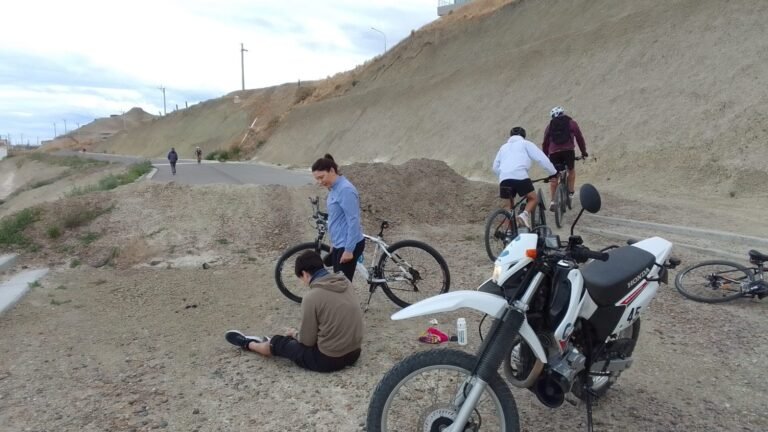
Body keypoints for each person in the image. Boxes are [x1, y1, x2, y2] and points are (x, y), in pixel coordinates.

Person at [225, 250, 363, 373]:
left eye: (301, 279)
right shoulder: (345, 282)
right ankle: (265, 342)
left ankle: (248, 343)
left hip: (329, 359)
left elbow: (307, 341)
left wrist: (295, 334)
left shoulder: (312, 297)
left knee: (279, 343)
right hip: (354, 353)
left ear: (305, 274)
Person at [311, 154, 364, 281]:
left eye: (322, 177)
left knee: (342, 285)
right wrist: (334, 243)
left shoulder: (345, 190)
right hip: (339, 243)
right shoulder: (333, 188)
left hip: (347, 245)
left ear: (332, 170)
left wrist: (349, 250)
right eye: (317, 179)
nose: (320, 182)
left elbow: (353, 220)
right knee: (339, 282)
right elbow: (336, 218)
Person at [492, 126, 557, 229]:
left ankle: (508, 233)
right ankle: (524, 215)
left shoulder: (503, 147)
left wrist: (504, 175)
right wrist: (553, 172)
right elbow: (541, 159)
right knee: (533, 198)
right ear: (523, 136)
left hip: (504, 178)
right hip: (520, 176)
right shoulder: (526, 144)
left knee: (508, 208)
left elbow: (495, 167)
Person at [542, 106, 588, 211]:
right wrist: (583, 152)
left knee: (554, 176)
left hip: (553, 153)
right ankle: (570, 193)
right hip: (568, 151)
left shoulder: (549, 126)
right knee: (571, 170)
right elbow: (579, 138)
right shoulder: (571, 123)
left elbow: (545, 143)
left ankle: (553, 201)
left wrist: (545, 156)